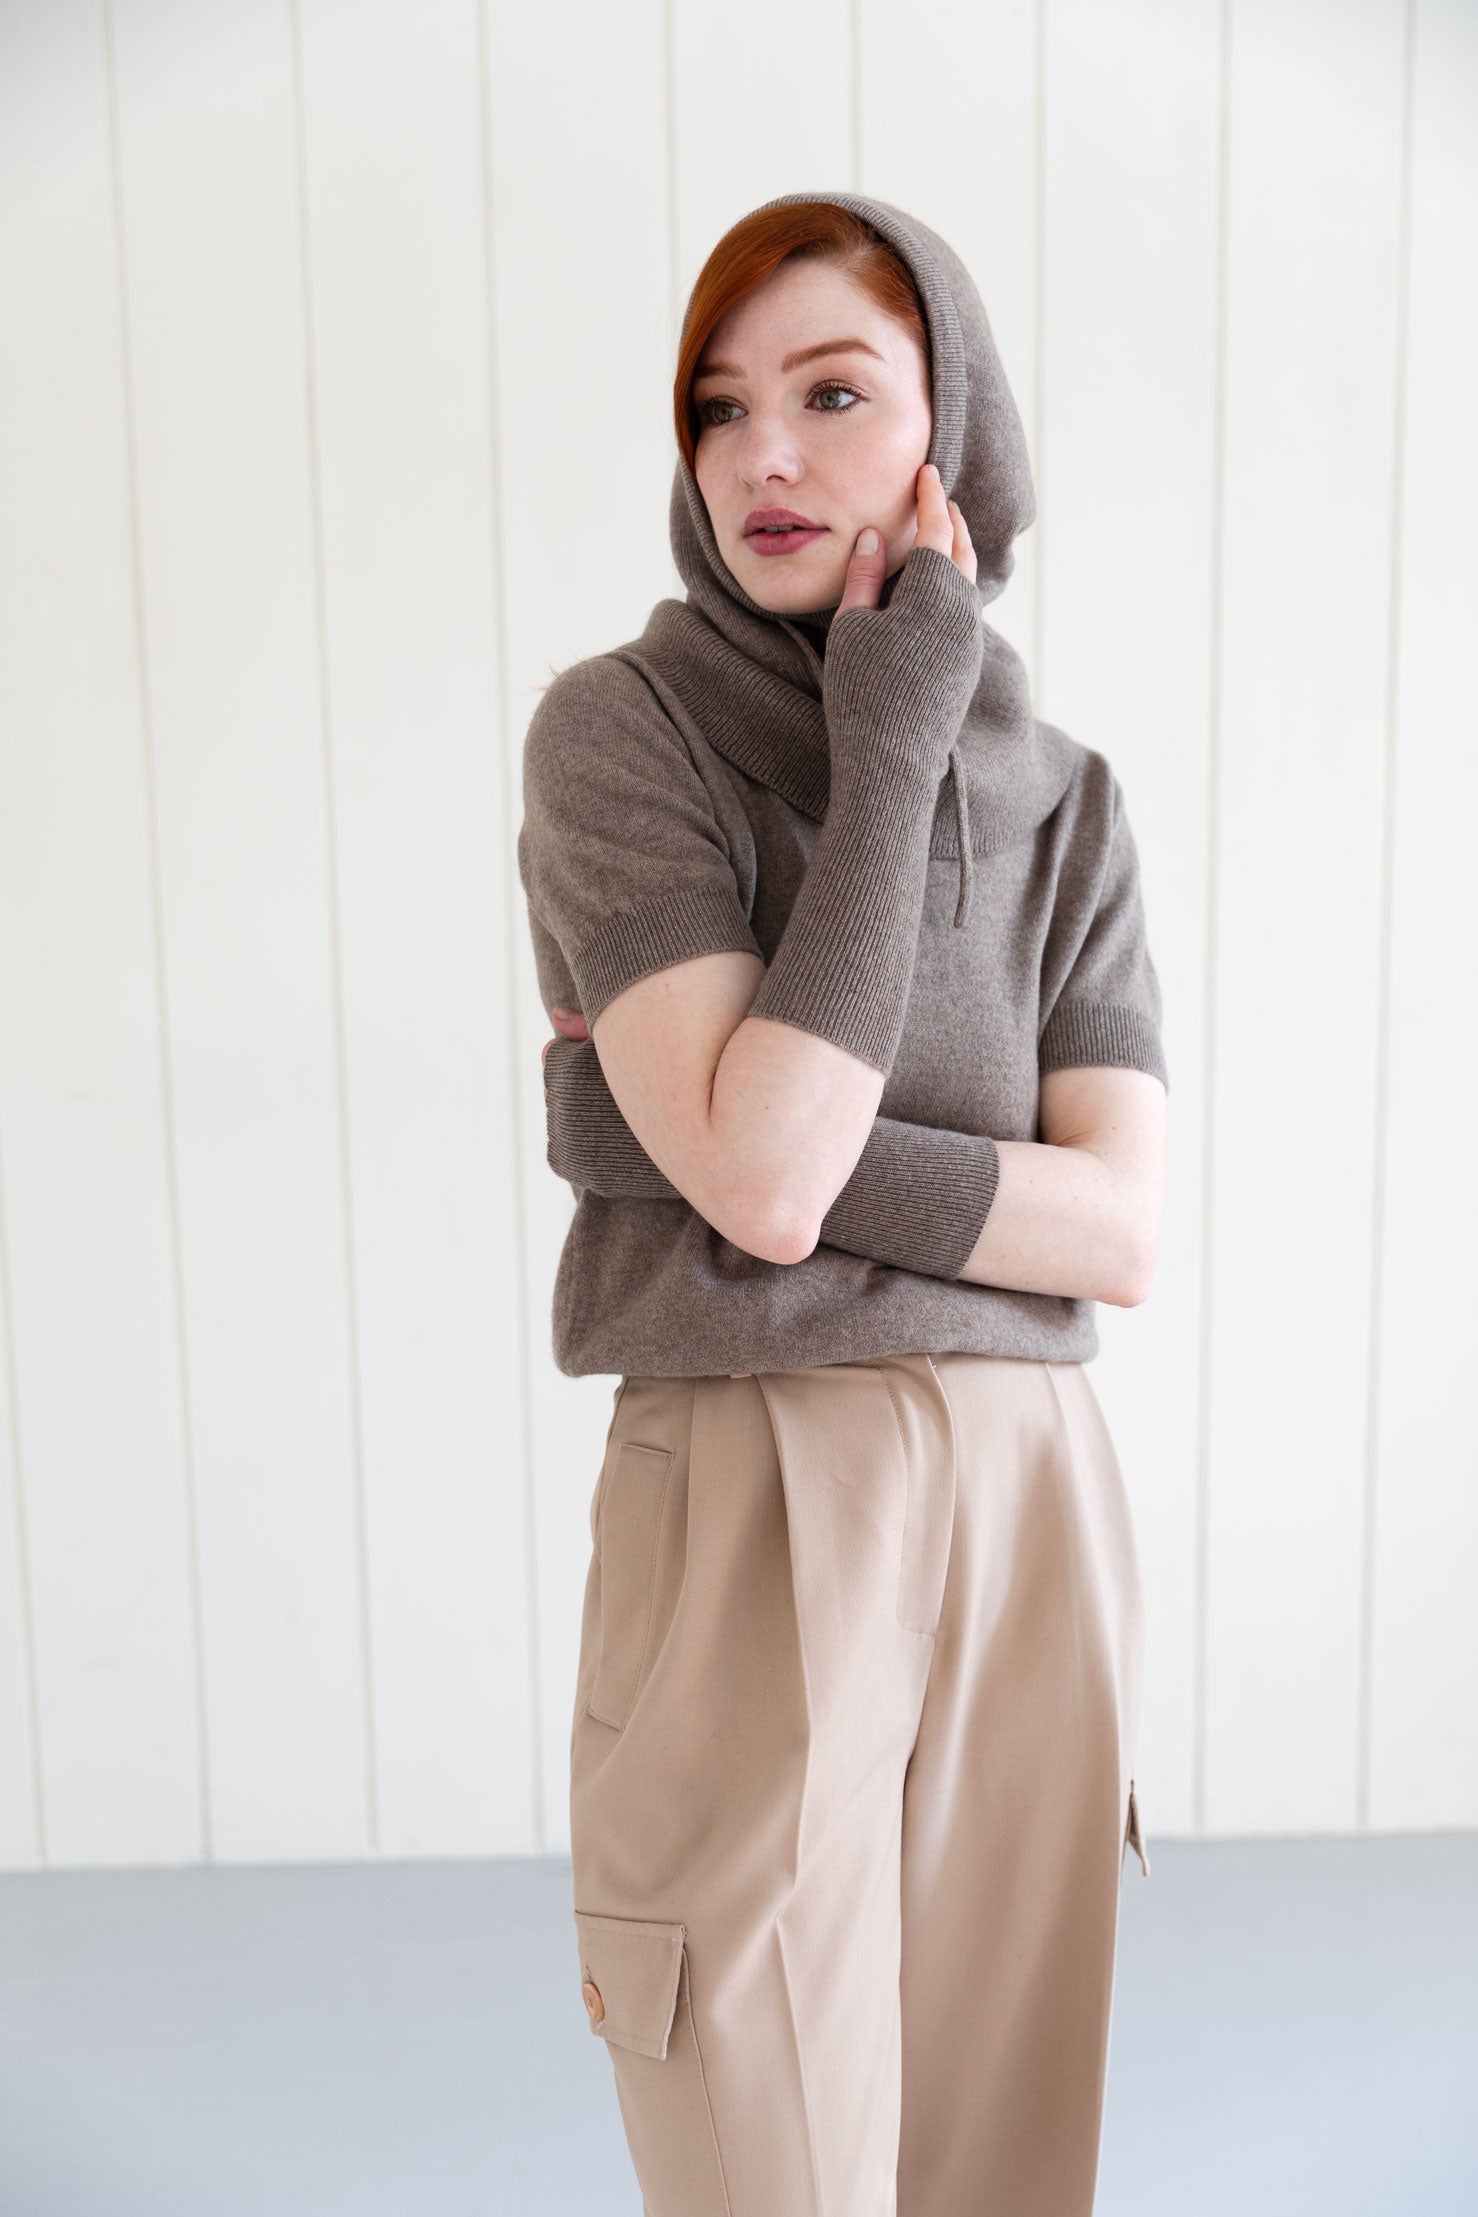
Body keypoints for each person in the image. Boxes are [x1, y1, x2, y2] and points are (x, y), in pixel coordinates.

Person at [517, 188, 1166, 2217]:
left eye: (831, 394)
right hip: (750, 1484)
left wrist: (646, 1131)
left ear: (952, 445)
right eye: (719, 408)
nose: (760, 457)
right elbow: (773, 1172)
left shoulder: (1069, 797)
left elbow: (1121, 1231)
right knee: (758, 2126)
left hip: (1025, 1489)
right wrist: (888, 751)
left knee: (1001, 2140)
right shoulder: (623, 734)